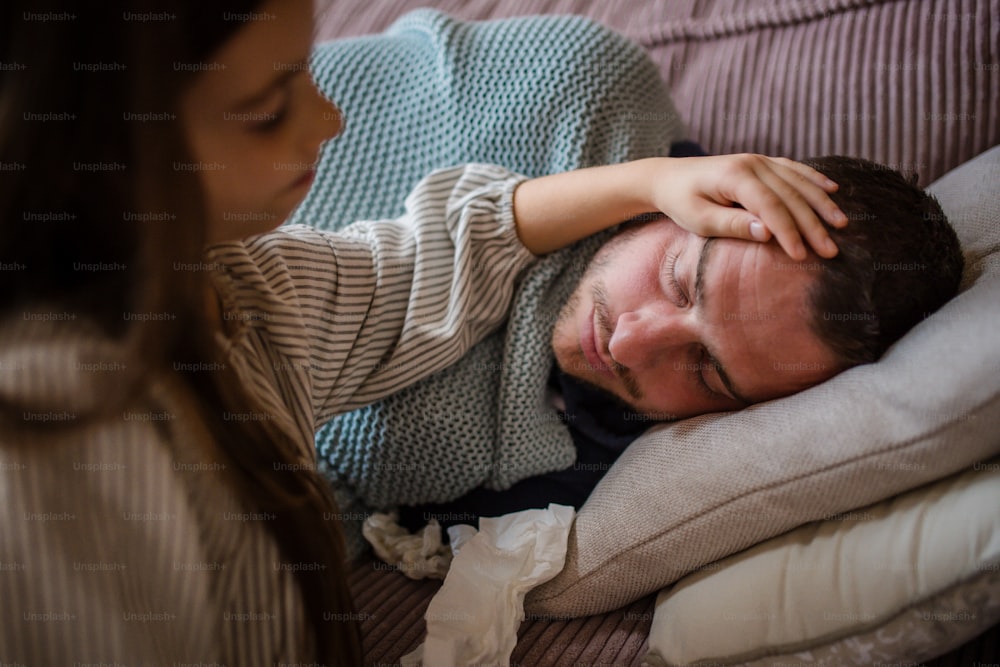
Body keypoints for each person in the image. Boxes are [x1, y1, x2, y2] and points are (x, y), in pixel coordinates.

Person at [0, 1, 846, 664]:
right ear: (80, 146)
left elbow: (421, 263)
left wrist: (652, 177)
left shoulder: (238, 299)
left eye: (707, 371)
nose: (329, 121)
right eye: (267, 105)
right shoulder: (57, 443)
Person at [400, 154, 964, 530]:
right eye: (677, 279)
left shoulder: (580, 488)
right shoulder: (580, 92)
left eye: (706, 372)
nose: (626, 345)